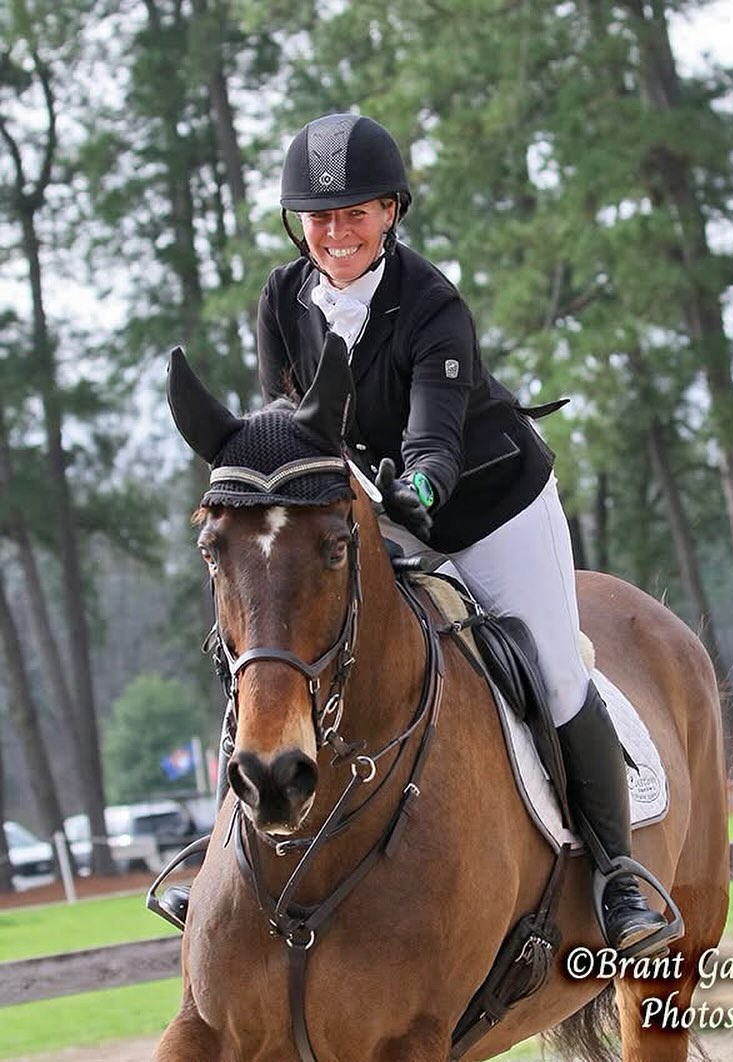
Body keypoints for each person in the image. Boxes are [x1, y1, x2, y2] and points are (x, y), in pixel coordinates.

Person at [163, 112, 673, 956]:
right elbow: (289, 423)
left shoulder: (432, 304)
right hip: (370, 507)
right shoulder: (283, 297)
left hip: (487, 505)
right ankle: (228, 838)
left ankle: (620, 876)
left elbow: (435, 435)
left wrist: (423, 484)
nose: (335, 233)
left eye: (354, 212)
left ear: (391, 211)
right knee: (279, 639)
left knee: (549, 667)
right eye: (320, 217)